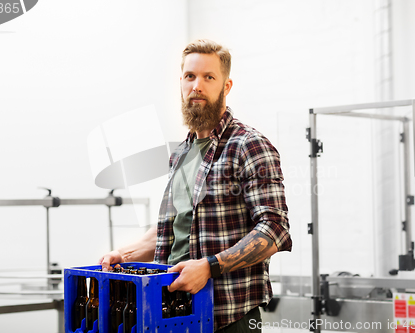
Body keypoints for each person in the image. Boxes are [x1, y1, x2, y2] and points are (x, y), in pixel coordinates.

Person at [99, 39, 292, 332]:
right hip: (176, 312)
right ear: (181, 82)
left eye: (208, 77)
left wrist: (209, 267)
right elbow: (175, 229)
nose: (197, 86)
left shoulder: (248, 145)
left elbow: (274, 229)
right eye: (190, 76)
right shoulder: (182, 153)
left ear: (226, 86)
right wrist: (124, 256)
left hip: (228, 317)